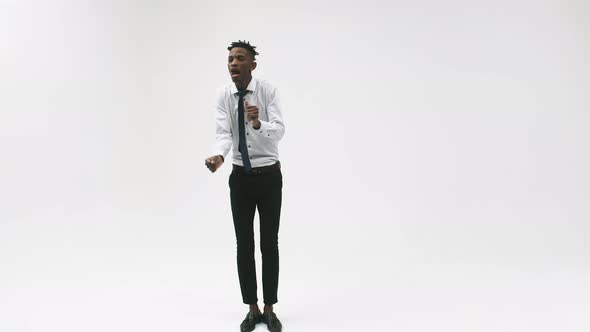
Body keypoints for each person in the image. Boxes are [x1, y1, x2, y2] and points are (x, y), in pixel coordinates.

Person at [205, 40, 285, 332]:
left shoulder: (268, 91)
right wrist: (219, 156)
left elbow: (279, 131)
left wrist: (257, 123)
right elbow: (223, 133)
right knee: (244, 245)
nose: (233, 64)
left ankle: (270, 308)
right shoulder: (223, 95)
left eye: (239, 58)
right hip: (240, 178)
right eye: (229, 60)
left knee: (269, 244)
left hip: (269, 178)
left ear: (253, 64)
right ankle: (252, 309)